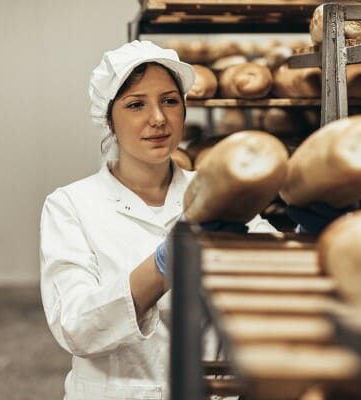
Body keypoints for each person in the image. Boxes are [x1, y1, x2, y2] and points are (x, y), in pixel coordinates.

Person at [40, 40, 276, 400]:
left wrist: (308, 235)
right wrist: (164, 264)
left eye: (169, 100)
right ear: (108, 119)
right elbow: (76, 327)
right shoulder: (71, 205)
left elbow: (277, 279)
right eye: (136, 104)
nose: (158, 118)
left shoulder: (215, 190)